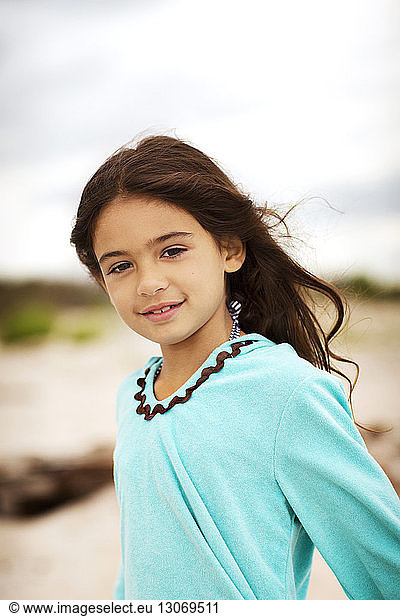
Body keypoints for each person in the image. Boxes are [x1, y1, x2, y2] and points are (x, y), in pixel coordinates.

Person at [70, 134, 400, 600]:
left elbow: (385, 568)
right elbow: (141, 568)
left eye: (172, 250)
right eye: (120, 266)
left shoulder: (289, 394)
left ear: (229, 249)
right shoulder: (133, 396)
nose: (149, 283)